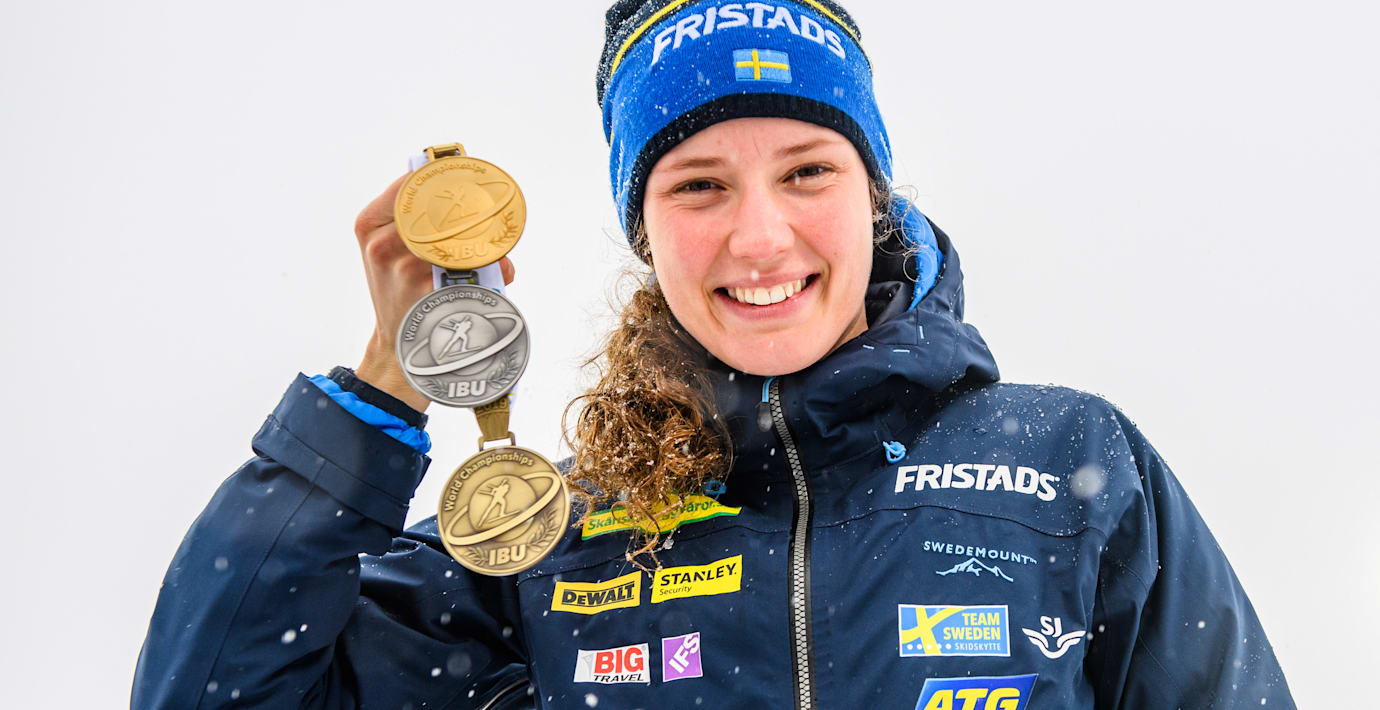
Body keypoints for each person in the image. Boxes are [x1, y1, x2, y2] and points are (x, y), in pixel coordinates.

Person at [133, 1, 1296, 708]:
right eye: (698, 185)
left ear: (873, 193)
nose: (760, 236)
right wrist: (384, 387)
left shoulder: (1068, 466)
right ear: (645, 231)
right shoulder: (549, 535)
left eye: (808, 170)